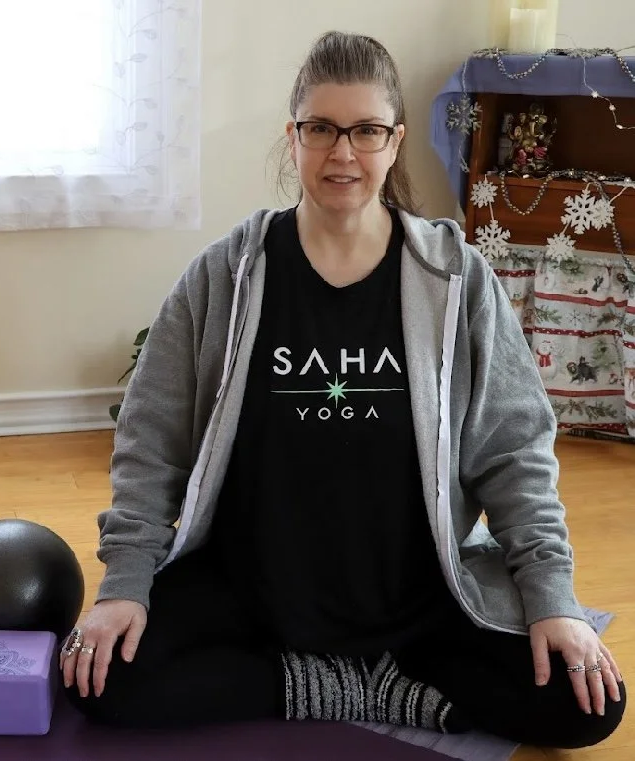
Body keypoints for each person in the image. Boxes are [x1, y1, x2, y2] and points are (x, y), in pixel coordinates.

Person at [60, 30, 626, 749]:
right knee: (97, 677)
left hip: (420, 604)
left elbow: (516, 452)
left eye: (365, 131)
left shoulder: (457, 281)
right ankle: (348, 685)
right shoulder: (224, 275)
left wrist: (552, 598)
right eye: (321, 128)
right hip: (252, 592)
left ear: (394, 141)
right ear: (291, 136)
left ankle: (320, 679)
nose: (342, 153)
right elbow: (151, 442)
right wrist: (124, 586)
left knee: (587, 705)